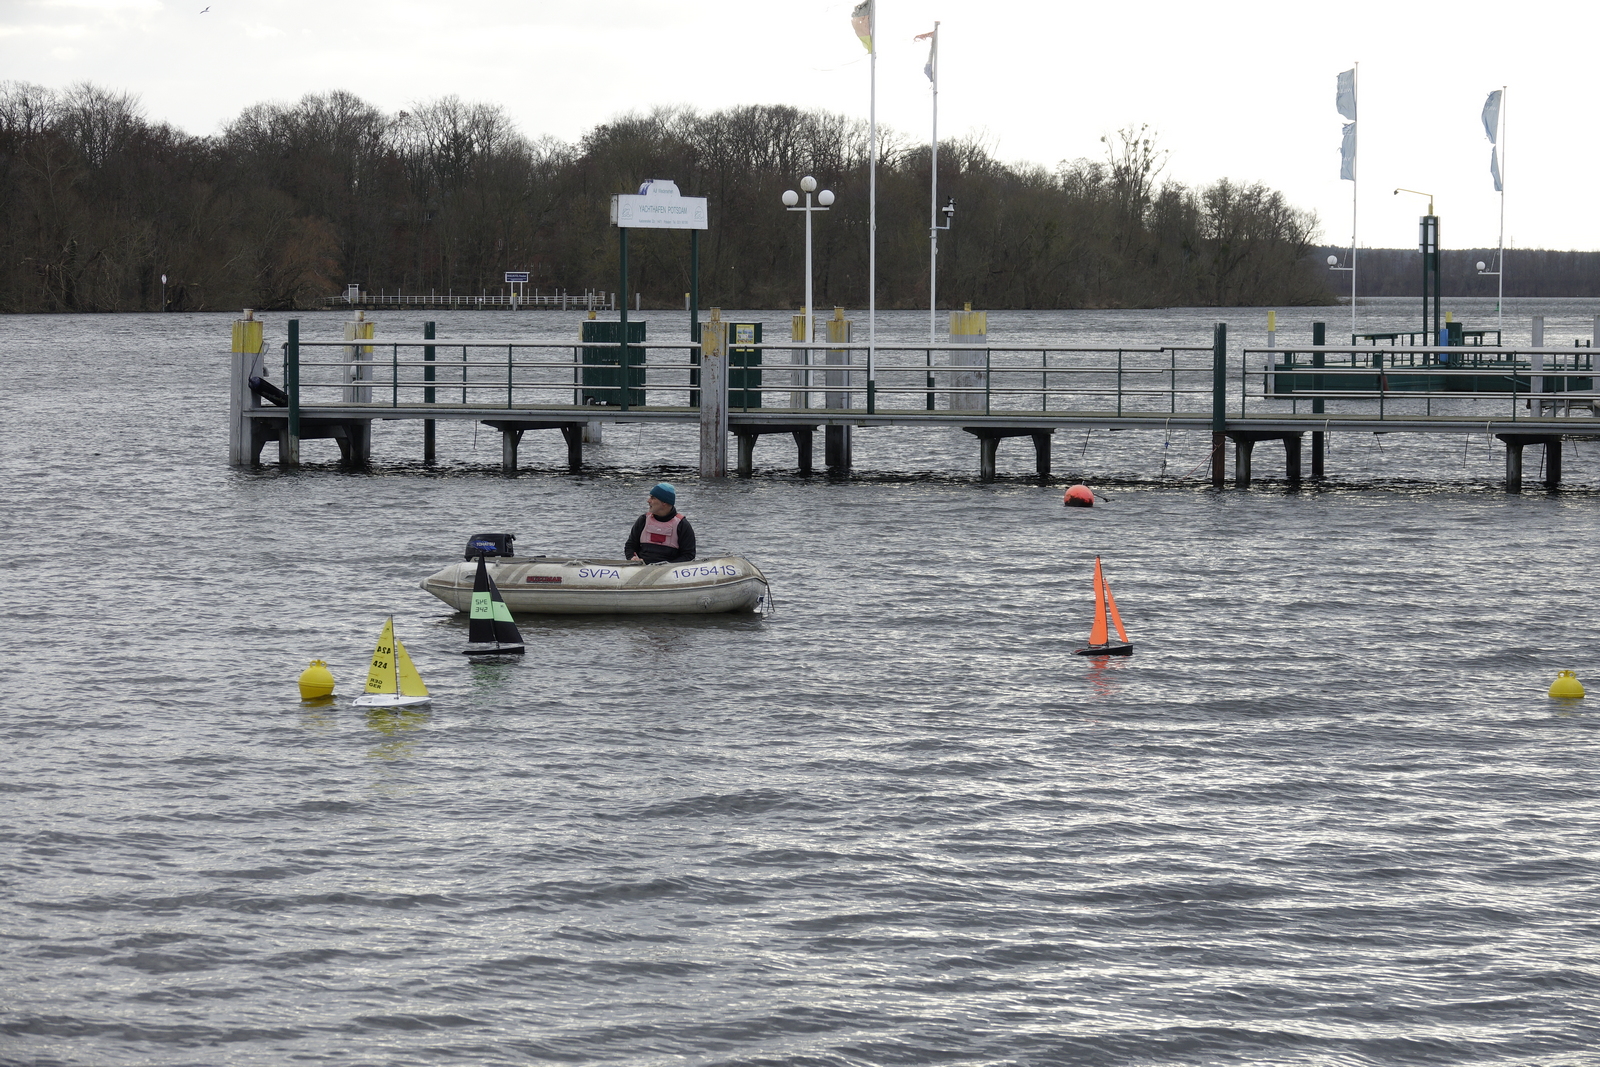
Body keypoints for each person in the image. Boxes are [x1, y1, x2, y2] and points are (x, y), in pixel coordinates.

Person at [626, 482, 697, 563]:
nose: (648, 501)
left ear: (664, 502)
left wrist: (667, 567)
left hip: (669, 571)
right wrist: (632, 557)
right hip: (643, 568)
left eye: (653, 498)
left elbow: (688, 555)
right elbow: (630, 546)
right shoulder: (643, 520)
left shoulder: (682, 525)